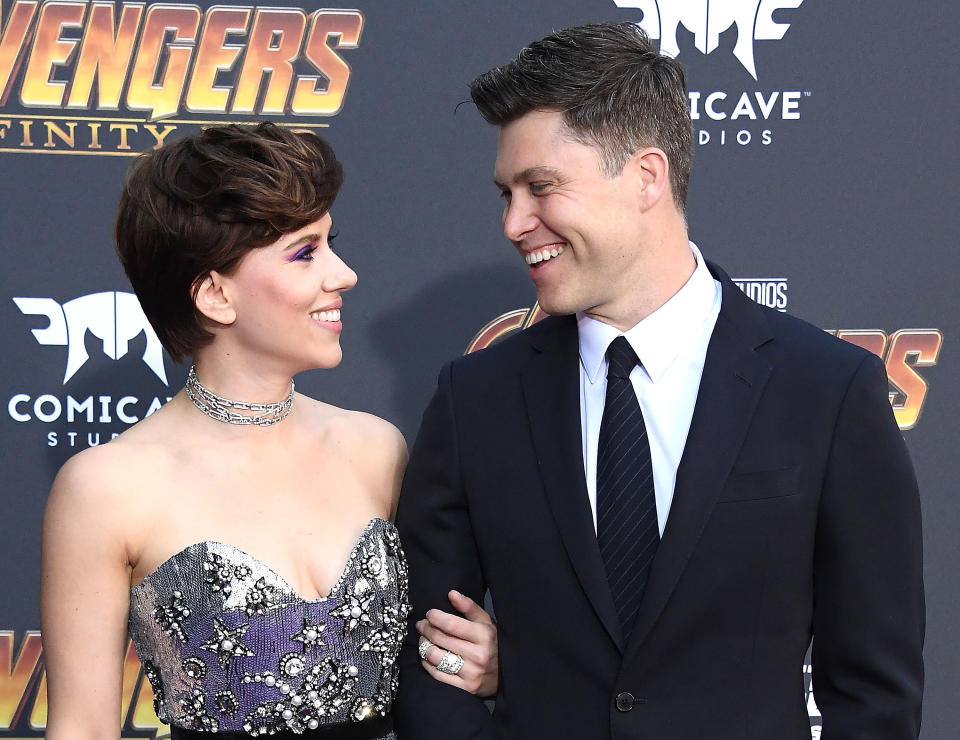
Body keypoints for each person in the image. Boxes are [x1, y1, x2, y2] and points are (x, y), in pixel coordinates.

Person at [394, 22, 924, 739]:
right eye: (506, 193)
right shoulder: (475, 399)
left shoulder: (827, 390)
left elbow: (875, 694)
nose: (515, 222)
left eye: (541, 187)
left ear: (647, 176)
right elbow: (428, 666)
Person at [40, 123, 496, 740]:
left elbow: (428, 663)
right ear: (213, 294)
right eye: (305, 252)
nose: (345, 274)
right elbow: (84, 730)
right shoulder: (106, 487)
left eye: (331, 242)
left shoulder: (375, 448)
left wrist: (485, 664)